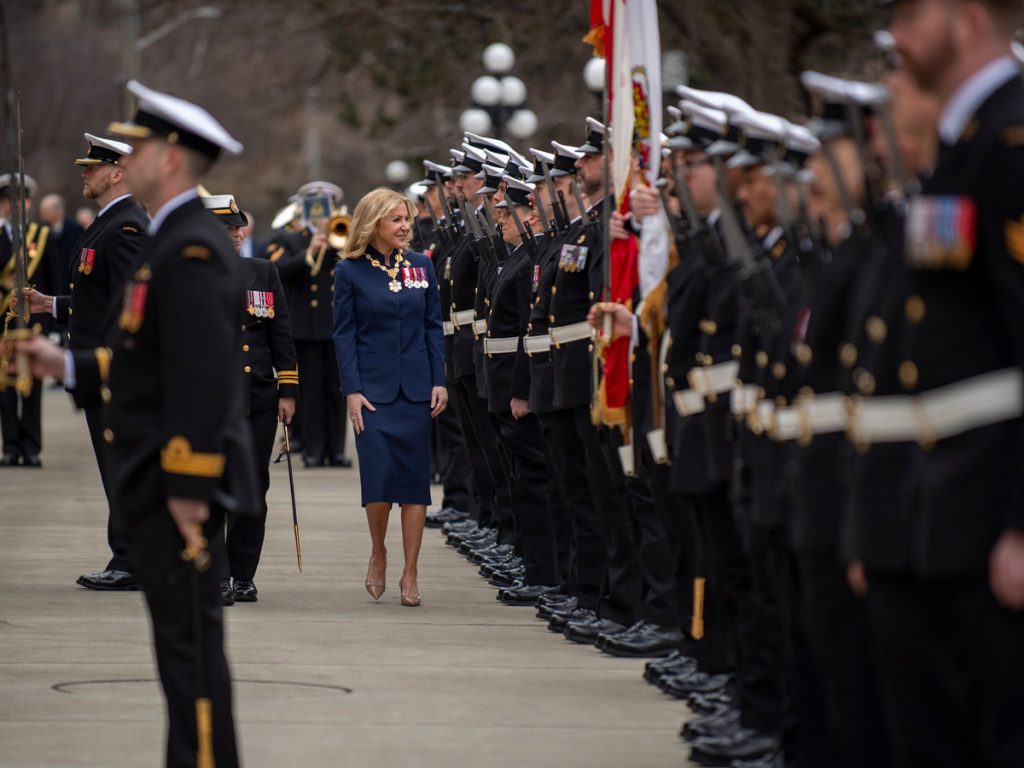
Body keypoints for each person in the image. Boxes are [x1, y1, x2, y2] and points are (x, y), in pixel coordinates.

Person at [11, 79, 256, 768]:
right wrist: (62, 364)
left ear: (171, 158)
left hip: (182, 489)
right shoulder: (169, 237)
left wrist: (188, 486)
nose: (129, 157)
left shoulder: (194, 249)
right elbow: (139, 361)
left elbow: (204, 379)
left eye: (141, 145)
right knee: (180, 661)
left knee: (193, 663)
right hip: (160, 481)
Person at [23, 132, 149, 591]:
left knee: (120, 465)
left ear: (117, 173)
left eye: (92, 168)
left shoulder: (129, 225)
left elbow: (130, 305)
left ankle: (131, 560)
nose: (84, 174)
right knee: (112, 463)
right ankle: (128, 555)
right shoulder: (108, 221)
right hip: (96, 365)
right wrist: (50, 304)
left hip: (111, 367)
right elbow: (96, 299)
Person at [332, 187, 447, 607]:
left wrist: (439, 379)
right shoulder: (350, 271)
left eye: (406, 219)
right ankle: (378, 551)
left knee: (415, 485)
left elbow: (433, 326)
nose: (404, 226)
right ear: (374, 223)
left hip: (416, 390)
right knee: (378, 480)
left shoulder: (422, 266)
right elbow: (343, 335)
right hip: (373, 394)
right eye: (396, 219)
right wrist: (352, 391)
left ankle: (411, 571)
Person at [204, 193, 297, 605]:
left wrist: (288, 391)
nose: (238, 234)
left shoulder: (263, 272)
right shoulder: (190, 275)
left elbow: (281, 336)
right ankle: (216, 574)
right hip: (209, 399)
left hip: (257, 396)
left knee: (251, 488)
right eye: (228, 229)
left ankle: (243, 573)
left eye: (239, 227)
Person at [272, 182, 350, 468]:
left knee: (337, 390)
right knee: (312, 391)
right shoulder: (293, 239)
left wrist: (334, 243)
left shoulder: (341, 234)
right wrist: (309, 251)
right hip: (306, 328)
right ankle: (315, 450)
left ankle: (337, 450)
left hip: (335, 325)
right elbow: (277, 271)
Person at [0, 172, 60, 468]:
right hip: (3, 325)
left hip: (35, 324)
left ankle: (32, 448)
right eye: (10, 199)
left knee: (33, 388)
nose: (17, 204)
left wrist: (56, 328)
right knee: (5, 388)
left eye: (22, 198)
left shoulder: (41, 236)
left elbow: (53, 279)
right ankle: (10, 447)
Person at [38, 193, 85, 294]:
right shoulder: (39, 231)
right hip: (48, 287)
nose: (42, 213)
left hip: (69, 285)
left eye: (46, 210)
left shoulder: (76, 230)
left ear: (58, 211)